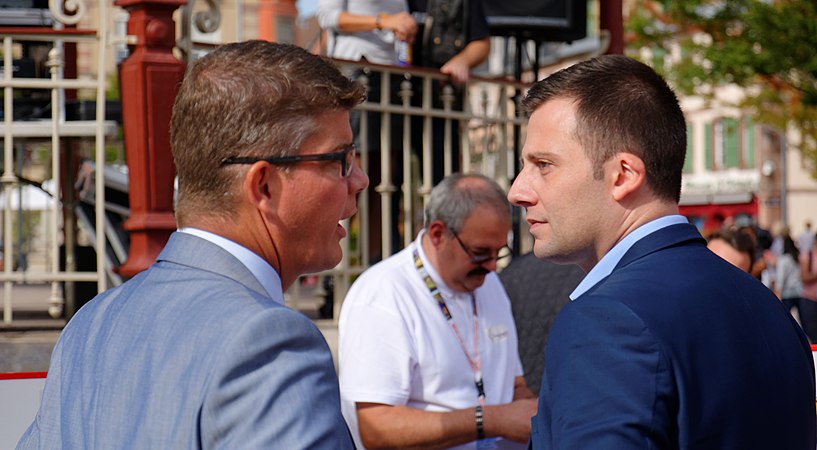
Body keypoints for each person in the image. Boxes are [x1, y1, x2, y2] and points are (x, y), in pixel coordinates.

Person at [17, 41, 368, 449]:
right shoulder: (269, 342)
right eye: (340, 160)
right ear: (265, 185)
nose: (359, 180)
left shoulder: (91, 323)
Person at [507, 55, 816, 449]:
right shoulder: (767, 307)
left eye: (544, 165)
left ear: (623, 175)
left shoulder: (608, 319)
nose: (518, 190)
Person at [338, 173, 537, 449]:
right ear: (438, 234)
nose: (492, 266)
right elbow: (375, 428)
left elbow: (513, 386)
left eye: (499, 253)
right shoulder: (384, 294)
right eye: (480, 252)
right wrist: (490, 421)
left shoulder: (489, 284)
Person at [768, 235, 817, 342]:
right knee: (804, 322)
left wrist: (777, 292)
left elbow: (781, 278)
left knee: (785, 321)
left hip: (788, 293)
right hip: (799, 292)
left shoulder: (784, 259)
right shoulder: (797, 257)